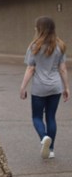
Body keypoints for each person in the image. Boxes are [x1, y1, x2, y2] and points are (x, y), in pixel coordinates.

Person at [19, 16, 69, 159]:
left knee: (36, 117)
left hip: (39, 88)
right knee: (51, 117)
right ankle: (51, 149)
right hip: (55, 87)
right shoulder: (60, 46)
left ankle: (43, 137)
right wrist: (66, 88)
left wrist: (23, 87)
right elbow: (63, 69)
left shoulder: (34, 46)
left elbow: (30, 69)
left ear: (39, 29)